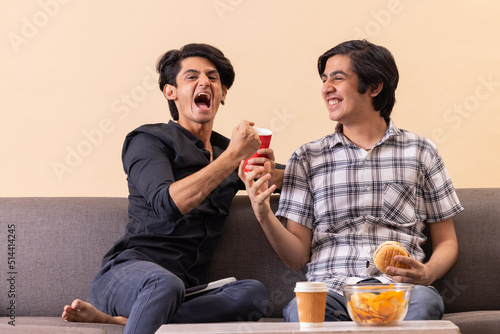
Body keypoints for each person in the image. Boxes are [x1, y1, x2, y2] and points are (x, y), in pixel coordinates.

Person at [62, 43, 283, 334]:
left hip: (187, 291)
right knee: (164, 284)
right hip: (128, 276)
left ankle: (121, 322)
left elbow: (290, 177)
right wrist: (233, 157)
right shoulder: (148, 141)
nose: (204, 82)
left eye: (212, 78)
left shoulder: (227, 153)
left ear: (223, 93)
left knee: (252, 294)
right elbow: (167, 204)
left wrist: (273, 172)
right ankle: (135, 312)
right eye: (191, 77)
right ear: (171, 91)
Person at [239, 40, 464, 322]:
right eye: (324, 79)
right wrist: (263, 213)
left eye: (338, 77)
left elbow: (447, 240)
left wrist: (427, 273)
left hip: (399, 291)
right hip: (330, 290)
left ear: (374, 86)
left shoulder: (421, 152)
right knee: (301, 312)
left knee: (425, 303)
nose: (326, 88)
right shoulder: (307, 158)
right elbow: (296, 258)